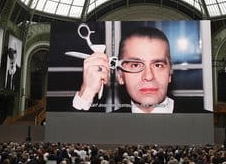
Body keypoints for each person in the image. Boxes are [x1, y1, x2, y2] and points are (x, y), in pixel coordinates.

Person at [72, 26, 201, 113]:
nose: (149, 76)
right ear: (120, 76)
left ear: (169, 74)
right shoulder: (107, 125)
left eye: (158, 65)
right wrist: (86, 94)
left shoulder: (201, 119)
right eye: (135, 65)